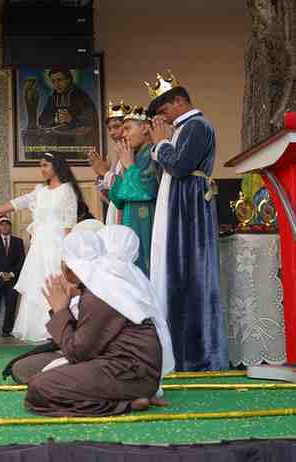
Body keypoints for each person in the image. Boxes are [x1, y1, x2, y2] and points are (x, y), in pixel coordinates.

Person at [13, 228, 172, 416]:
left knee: (39, 388)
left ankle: (125, 404)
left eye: (63, 264)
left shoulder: (100, 293)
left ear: (70, 267)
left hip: (129, 373)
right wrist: (65, 306)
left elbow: (77, 353)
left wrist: (60, 310)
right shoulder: (102, 286)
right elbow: (83, 344)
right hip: (125, 369)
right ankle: (124, 397)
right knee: (28, 371)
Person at [146, 72, 227, 371]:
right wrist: (161, 146)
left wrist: (160, 145)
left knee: (190, 275)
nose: (162, 117)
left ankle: (196, 353)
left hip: (189, 207)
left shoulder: (197, 126)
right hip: (178, 203)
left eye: (164, 109)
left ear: (180, 101)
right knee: (176, 274)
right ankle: (176, 349)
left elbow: (180, 167)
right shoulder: (181, 129)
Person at [0, 152, 87, 342]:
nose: (42, 169)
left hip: (57, 246)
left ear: (56, 166)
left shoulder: (67, 191)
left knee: (54, 284)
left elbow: (69, 225)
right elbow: (17, 203)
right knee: (36, 286)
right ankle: (38, 329)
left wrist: (67, 255)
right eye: (40, 165)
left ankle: (57, 330)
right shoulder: (40, 191)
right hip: (39, 247)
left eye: (45, 165)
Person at [108, 106, 159, 276]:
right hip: (130, 219)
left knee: (146, 267)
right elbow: (117, 199)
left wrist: (129, 166)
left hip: (147, 219)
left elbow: (147, 190)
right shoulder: (133, 156)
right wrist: (124, 167)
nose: (123, 134)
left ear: (144, 128)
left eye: (128, 128)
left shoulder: (153, 153)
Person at [89, 101, 131, 224]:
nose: (112, 132)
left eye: (117, 127)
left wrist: (106, 173)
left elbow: (127, 191)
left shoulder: (132, 153)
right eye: (109, 129)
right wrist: (102, 175)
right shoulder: (117, 155)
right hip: (115, 211)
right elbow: (111, 196)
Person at [0, 215, 25, 338]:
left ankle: (7, 331)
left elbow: (22, 260)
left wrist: (11, 273)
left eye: (7, 224)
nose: (5, 227)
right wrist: (1, 273)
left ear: (10, 226)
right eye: (2, 225)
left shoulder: (18, 241)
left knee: (11, 306)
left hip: (13, 279)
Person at [38, 69, 98, 138]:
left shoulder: (81, 96)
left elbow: (91, 119)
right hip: (59, 136)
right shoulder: (53, 97)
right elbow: (42, 119)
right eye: (53, 81)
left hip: (78, 137)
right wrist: (55, 119)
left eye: (59, 80)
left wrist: (71, 119)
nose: (56, 84)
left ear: (68, 80)